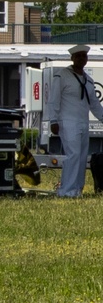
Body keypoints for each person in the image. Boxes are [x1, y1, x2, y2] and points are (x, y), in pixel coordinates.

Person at [45, 44, 103, 197]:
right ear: (72, 58)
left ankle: (77, 189)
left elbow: (95, 105)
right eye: (78, 56)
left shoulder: (88, 80)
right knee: (73, 155)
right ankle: (67, 190)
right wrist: (53, 120)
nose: (82, 59)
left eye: (84, 56)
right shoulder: (62, 75)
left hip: (83, 122)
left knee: (83, 156)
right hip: (67, 121)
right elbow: (53, 100)